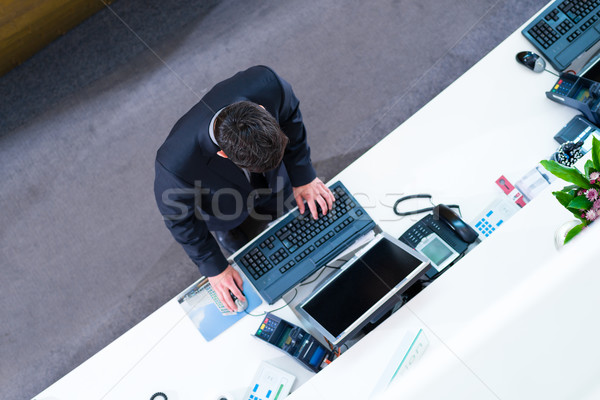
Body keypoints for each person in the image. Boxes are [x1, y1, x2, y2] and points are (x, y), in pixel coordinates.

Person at [154, 65, 334, 312]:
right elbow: (179, 218)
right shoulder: (174, 162)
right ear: (222, 154)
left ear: (262, 110)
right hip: (223, 209)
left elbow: (291, 117)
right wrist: (214, 268)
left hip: (274, 185)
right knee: (239, 247)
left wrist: (303, 177)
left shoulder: (267, 83)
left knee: (281, 203)